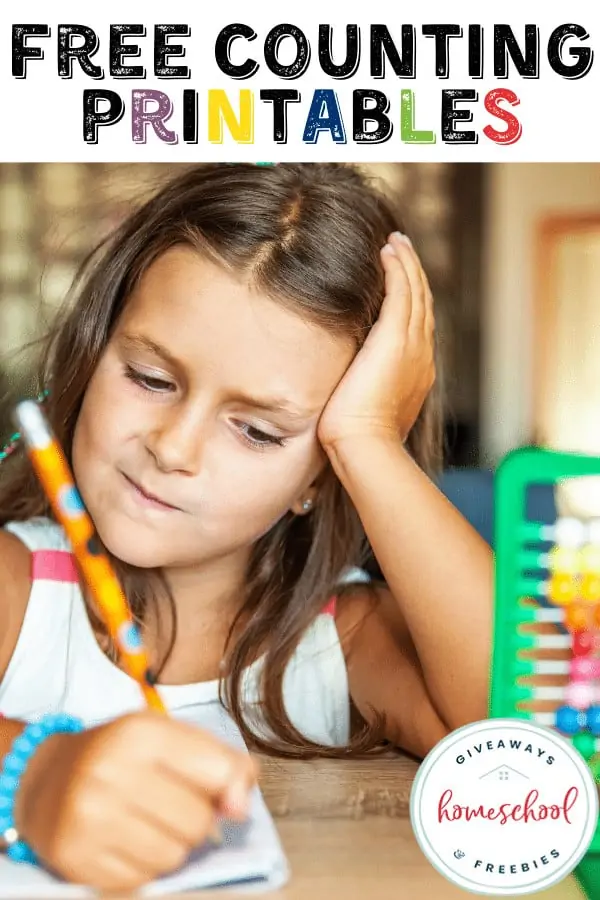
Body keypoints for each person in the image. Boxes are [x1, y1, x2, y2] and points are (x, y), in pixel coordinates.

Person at [0, 163, 492, 891]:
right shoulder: (18, 587)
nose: (172, 448)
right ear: (95, 349)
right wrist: (31, 777)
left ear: (321, 475)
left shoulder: (346, 639)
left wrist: (367, 441)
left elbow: (523, 743)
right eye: (150, 378)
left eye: (259, 431)